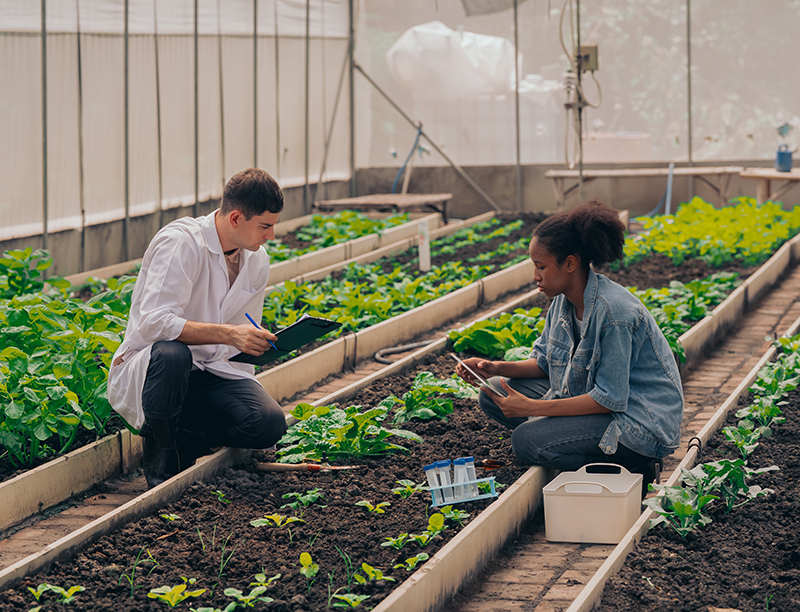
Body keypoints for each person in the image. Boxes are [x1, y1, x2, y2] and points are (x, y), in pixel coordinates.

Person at [456, 199, 684, 494]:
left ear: (570, 264)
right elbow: (544, 363)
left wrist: (534, 408)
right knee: (493, 390)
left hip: (635, 422)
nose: (535, 275)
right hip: (597, 402)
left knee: (525, 441)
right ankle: (563, 440)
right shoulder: (562, 303)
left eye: (541, 266)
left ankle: (633, 466)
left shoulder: (615, 313)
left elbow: (609, 399)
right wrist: (492, 367)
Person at [108, 168, 288, 488]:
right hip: (159, 373)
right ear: (235, 218)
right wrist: (230, 334)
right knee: (173, 353)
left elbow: (240, 335)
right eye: (265, 226)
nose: (271, 235)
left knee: (268, 424)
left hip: (210, 372)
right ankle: (161, 456)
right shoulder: (182, 243)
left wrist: (252, 344)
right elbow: (154, 322)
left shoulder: (256, 261)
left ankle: (184, 439)